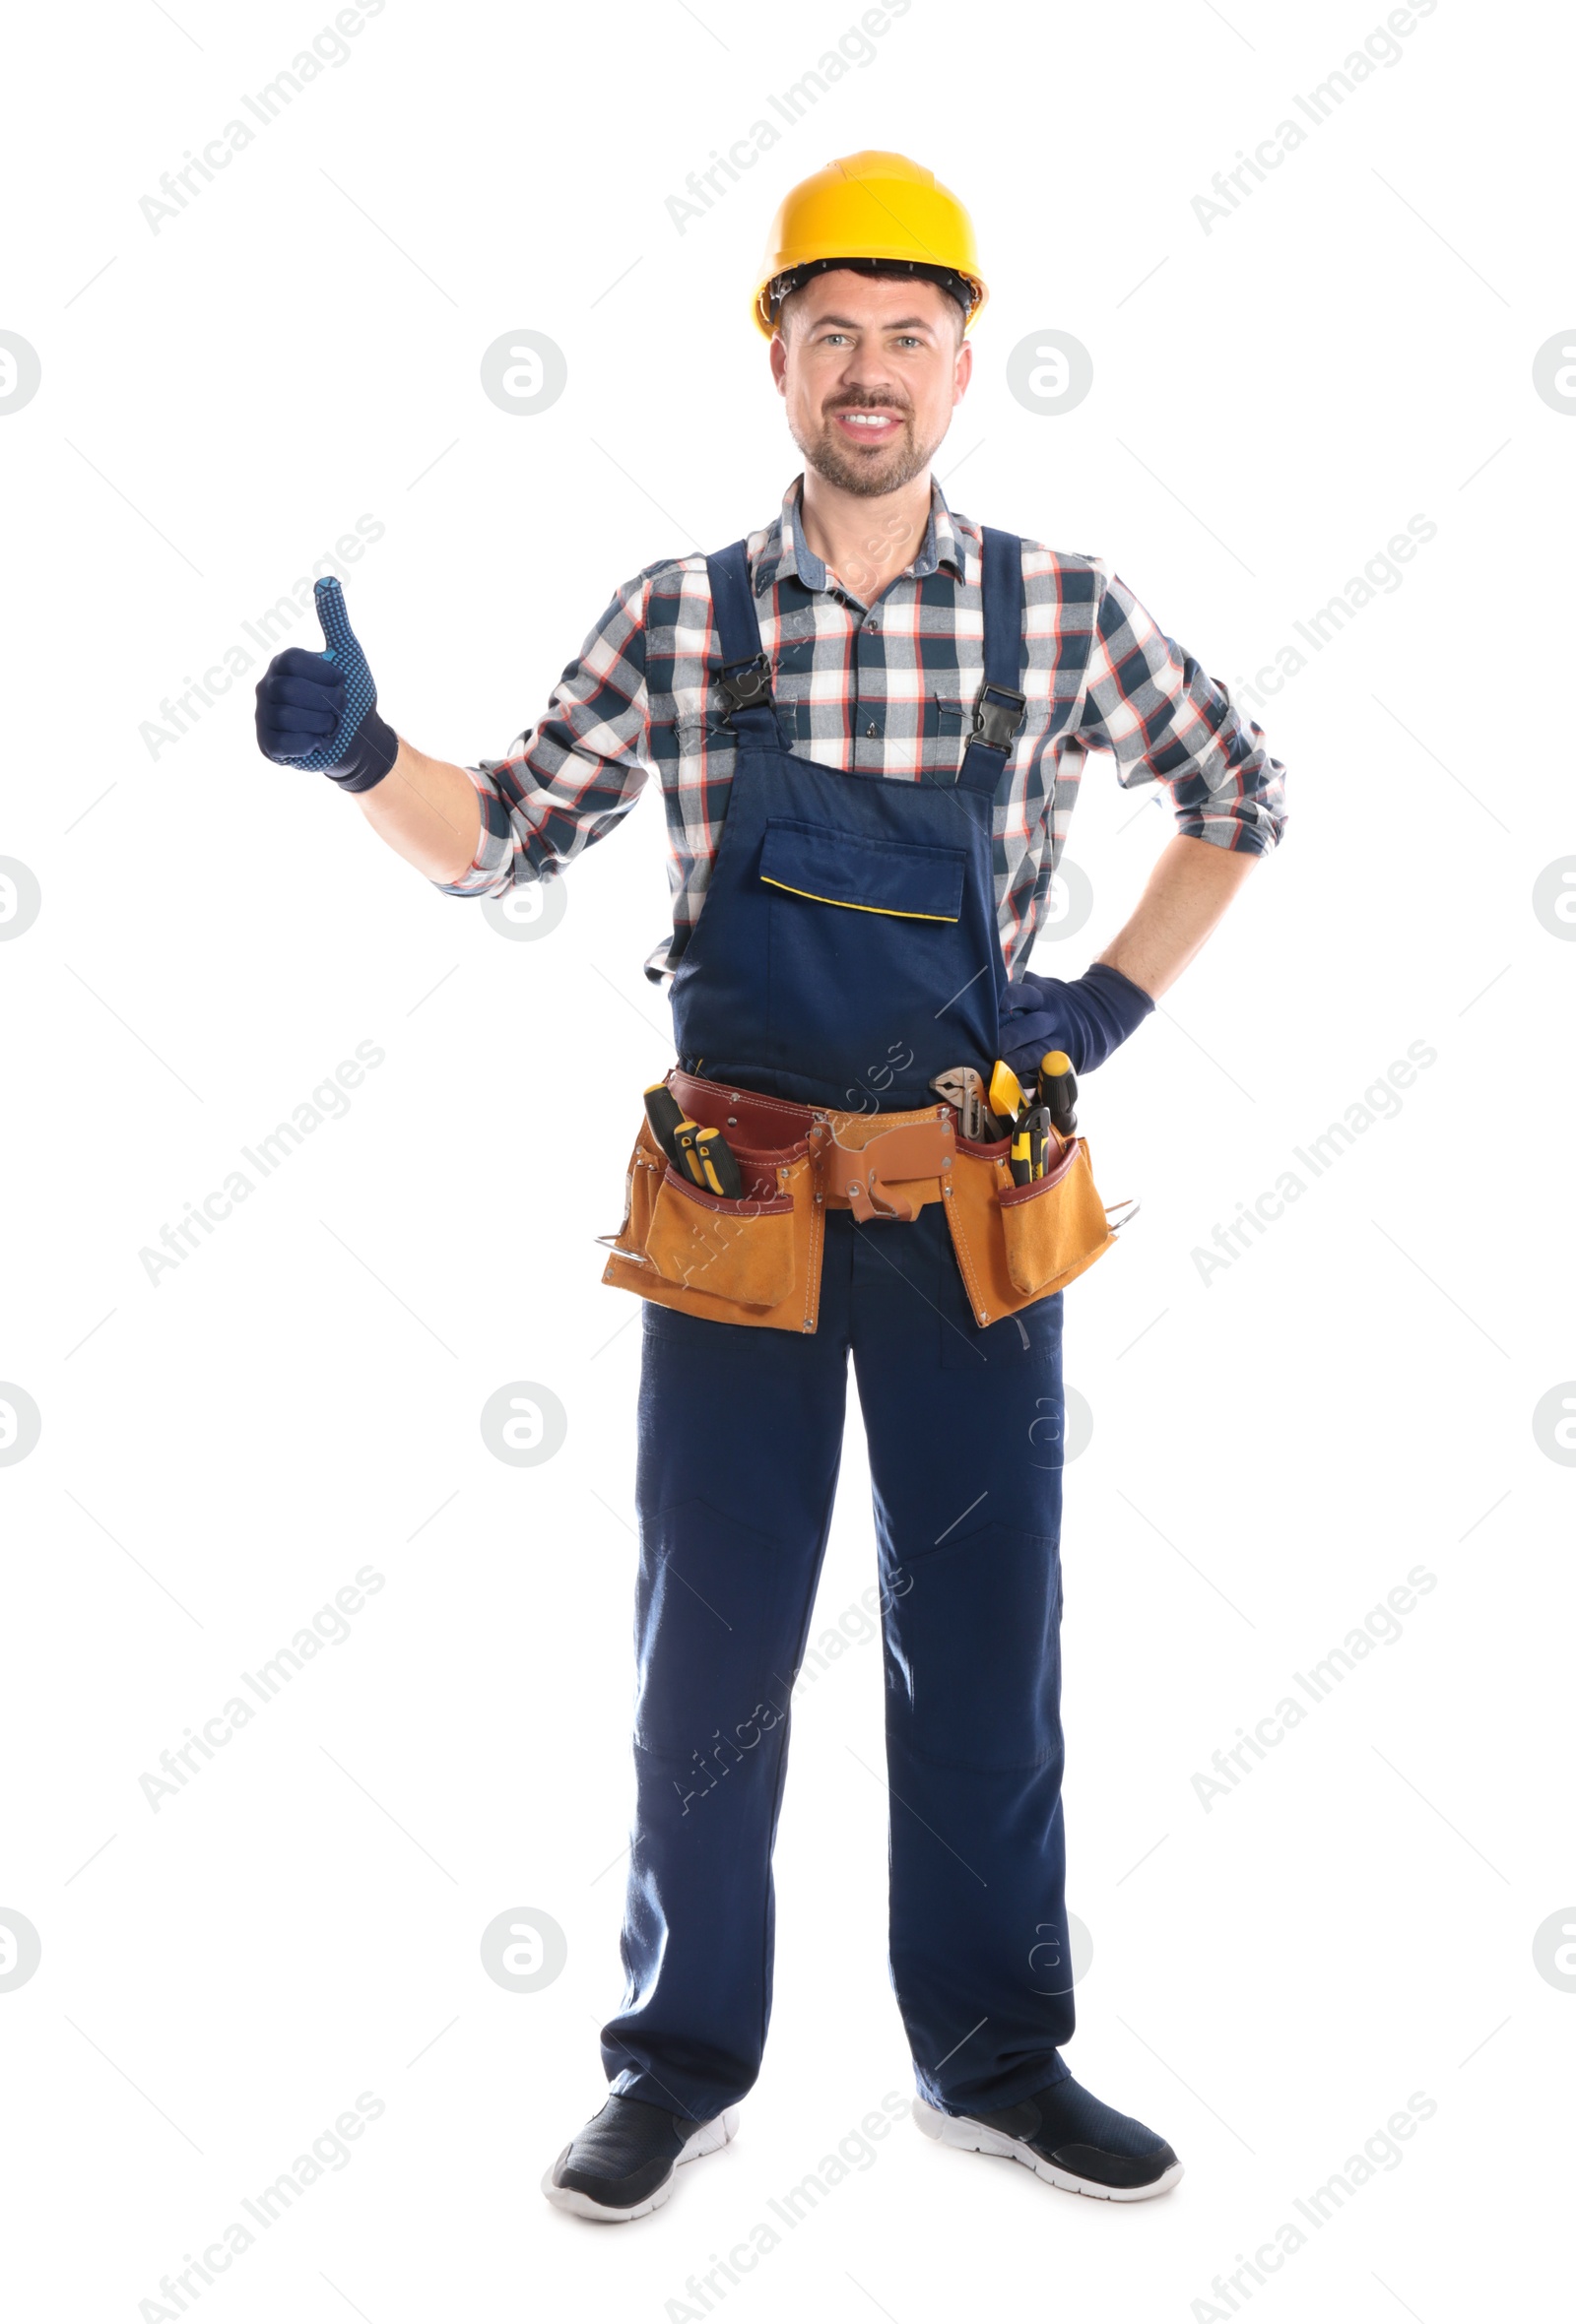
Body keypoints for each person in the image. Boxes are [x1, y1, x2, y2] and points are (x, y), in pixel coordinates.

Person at [255, 151, 1286, 2225]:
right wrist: (372, 758)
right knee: (706, 1652)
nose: (871, 370)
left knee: (983, 1641)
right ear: (777, 360)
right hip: (735, 1199)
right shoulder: (680, 614)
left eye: (909, 334)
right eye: (833, 333)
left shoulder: (1056, 609)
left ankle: (996, 2051)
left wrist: (1098, 1008)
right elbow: (506, 838)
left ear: (965, 360)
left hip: (973, 1205)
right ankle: (676, 2055)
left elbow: (1237, 795)